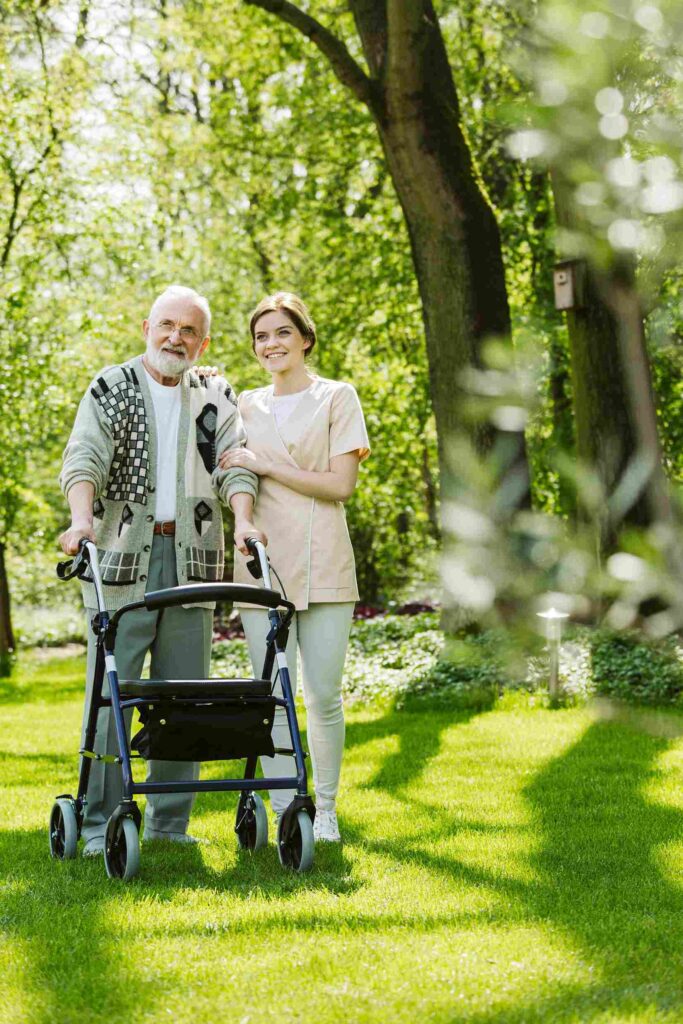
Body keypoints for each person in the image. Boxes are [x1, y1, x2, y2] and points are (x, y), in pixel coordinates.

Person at [59, 284, 265, 856]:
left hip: (193, 560)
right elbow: (84, 458)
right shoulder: (112, 387)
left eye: (189, 330)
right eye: (167, 325)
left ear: (203, 342)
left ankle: (169, 824)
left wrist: (244, 522)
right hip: (123, 562)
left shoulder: (213, 393)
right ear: (146, 327)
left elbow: (235, 464)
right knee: (112, 695)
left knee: (185, 698)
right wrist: (80, 523)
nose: (177, 337)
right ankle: (98, 820)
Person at [218, 292, 370, 842]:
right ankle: (287, 807)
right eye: (261, 336)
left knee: (322, 694)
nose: (271, 344)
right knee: (274, 694)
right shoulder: (245, 406)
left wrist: (266, 465)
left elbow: (340, 485)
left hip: (324, 559)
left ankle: (324, 808)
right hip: (261, 567)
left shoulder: (337, 397)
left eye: (282, 332)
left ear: (305, 338)